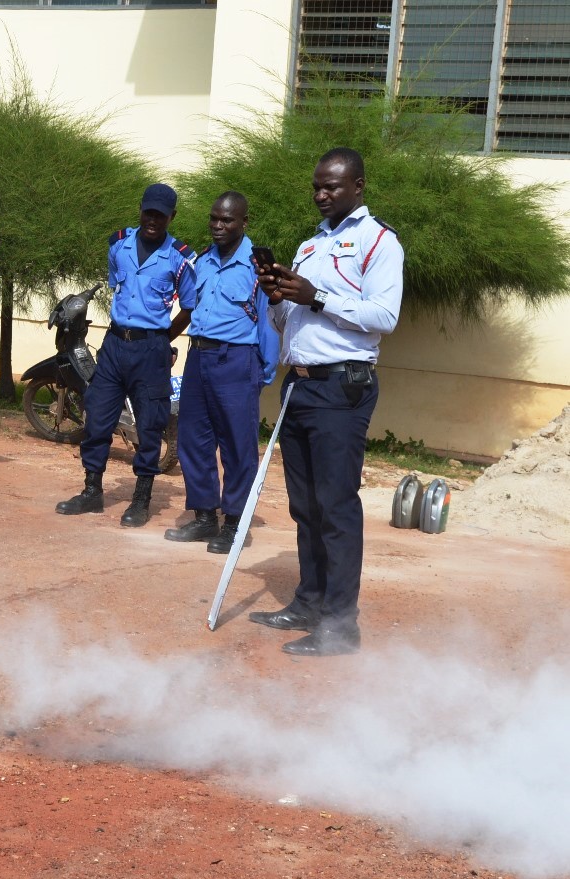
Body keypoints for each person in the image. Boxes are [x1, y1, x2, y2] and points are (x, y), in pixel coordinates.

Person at [251, 147, 403, 657]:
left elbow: (384, 316)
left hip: (342, 388)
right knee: (306, 506)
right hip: (300, 385)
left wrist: (316, 295)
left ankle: (341, 626)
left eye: (331, 187)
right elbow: (290, 323)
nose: (320, 195)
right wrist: (278, 298)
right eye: (316, 186)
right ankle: (308, 604)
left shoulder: (379, 241)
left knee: (336, 507)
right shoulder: (310, 244)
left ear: (358, 186)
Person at [55, 183, 196, 526]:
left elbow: (190, 306)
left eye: (160, 216)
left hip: (151, 350)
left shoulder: (179, 258)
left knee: (150, 425)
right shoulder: (118, 244)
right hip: (115, 345)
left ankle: (141, 500)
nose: (153, 220)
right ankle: (92, 491)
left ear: (171, 217)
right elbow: (117, 284)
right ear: (140, 211)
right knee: (98, 417)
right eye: (148, 213)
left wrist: (162, 339)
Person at [165, 191, 277, 552]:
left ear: (244, 222)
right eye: (214, 218)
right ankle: (204, 517)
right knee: (193, 439)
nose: (218, 225)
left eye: (227, 220)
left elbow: (270, 321)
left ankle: (233, 524)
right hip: (198, 357)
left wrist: (263, 372)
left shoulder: (259, 267)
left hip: (236, 360)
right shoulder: (203, 260)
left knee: (237, 445)